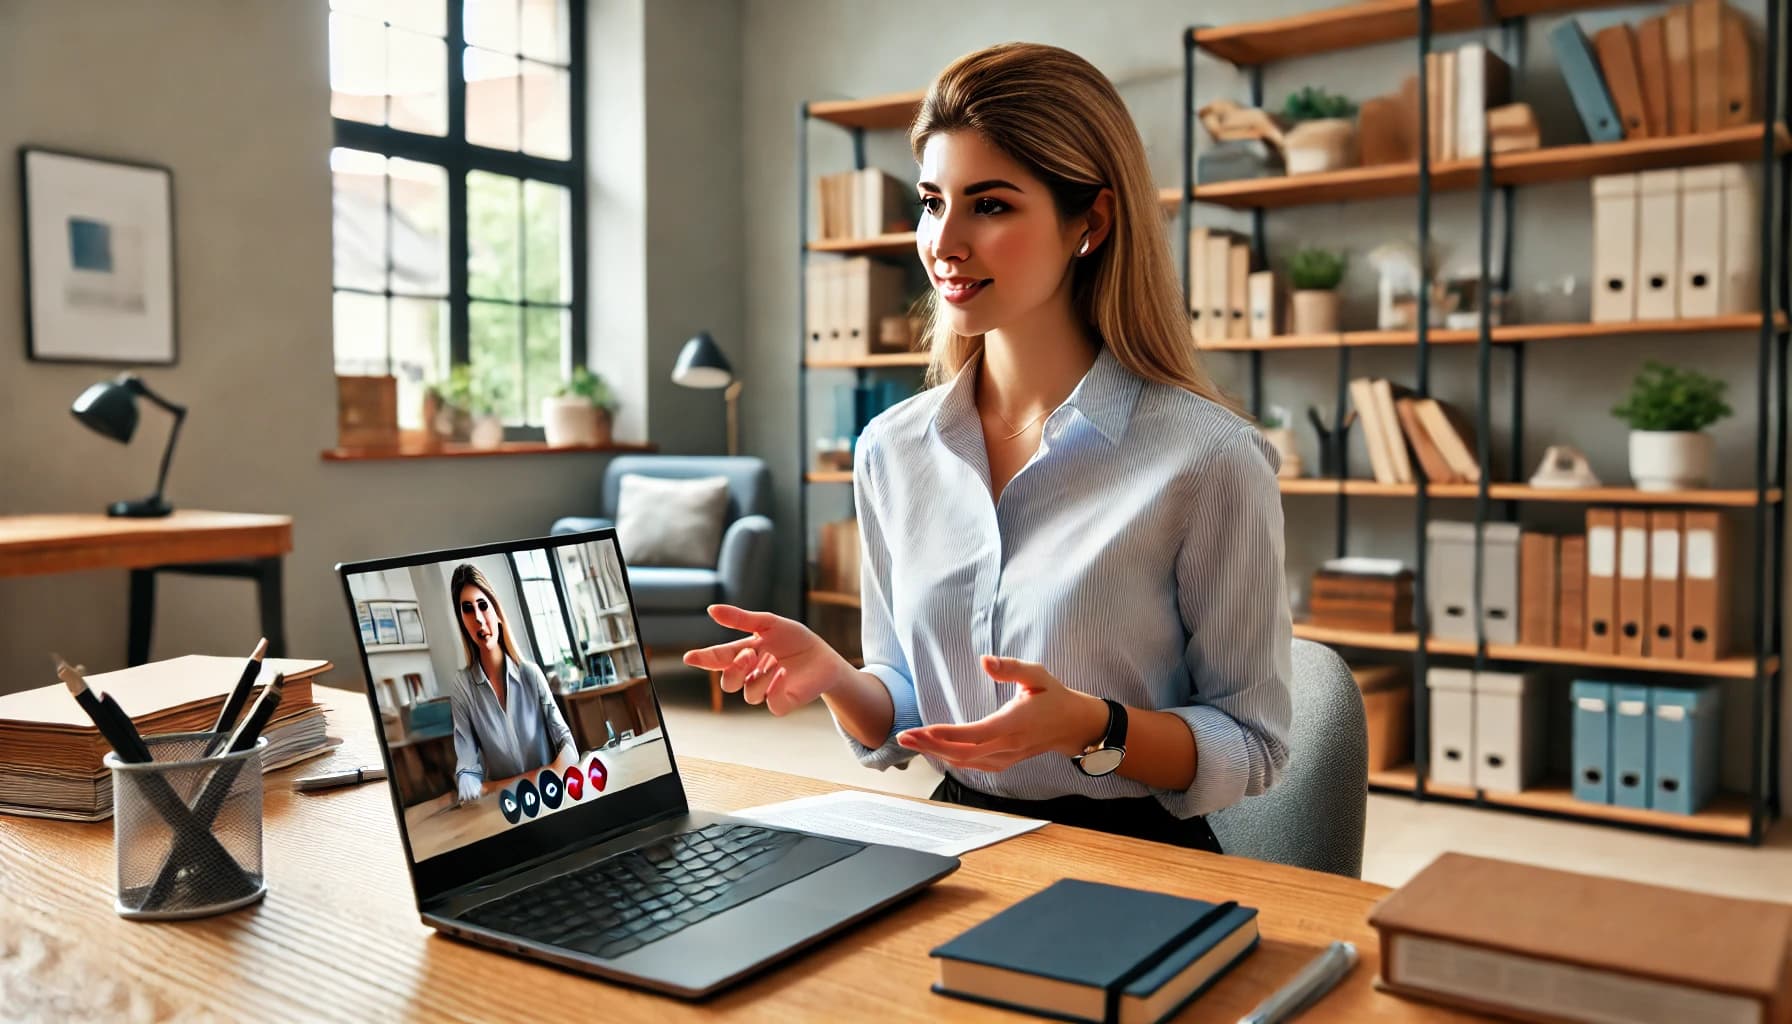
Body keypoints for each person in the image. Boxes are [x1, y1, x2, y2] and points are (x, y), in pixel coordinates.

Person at [684, 42, 1292, 852]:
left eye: (992, 205)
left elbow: (1252, 742)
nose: (944, 241)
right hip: (950, 836)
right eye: (932, 202)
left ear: (1092, 223)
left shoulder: (1210, 459)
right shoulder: (891, 450)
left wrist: (1090, 725)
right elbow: (908, 701)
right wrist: (837, 679)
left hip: (1134, 858)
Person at [447, 563, 577, 806]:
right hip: (505, 809)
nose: (477, 618)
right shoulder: (462, 686)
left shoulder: (531, 674)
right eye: (467, 609)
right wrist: (472, 781)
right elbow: (467, 773)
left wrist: (494, 786)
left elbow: (567, 744)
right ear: (462, 621)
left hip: (552, 800)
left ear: (496, 612)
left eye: (483, 606)